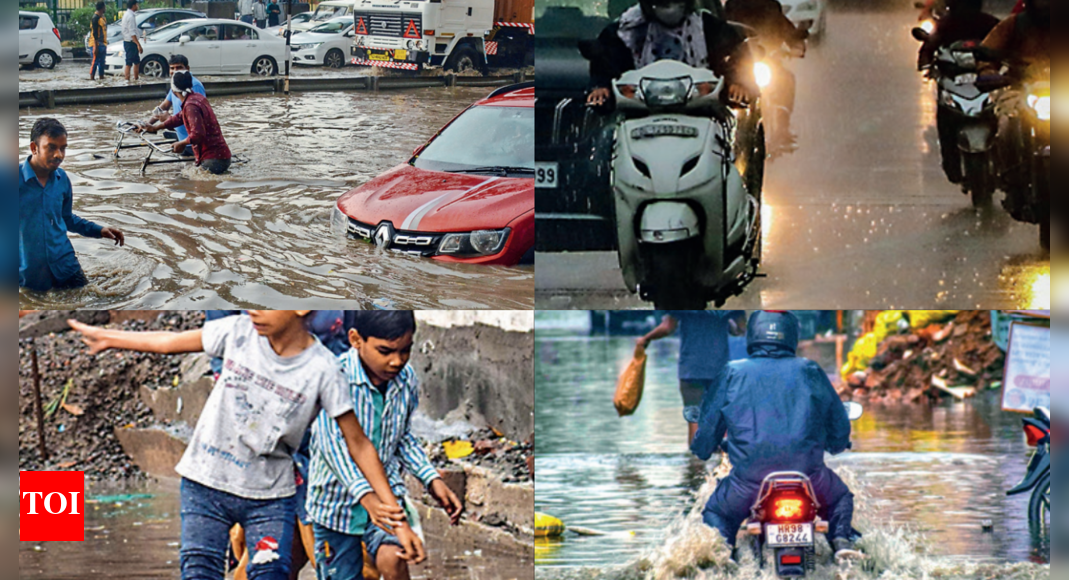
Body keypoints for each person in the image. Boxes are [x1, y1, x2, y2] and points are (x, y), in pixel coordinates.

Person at [67, 311, 418, 580]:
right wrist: (109, 337)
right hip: (206, 483)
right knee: (199, 570)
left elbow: (358, 445)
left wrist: (396, 519)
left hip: (269, 496)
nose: (253, 309)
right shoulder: (237, 332)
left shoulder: (324, 370)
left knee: (270, 572)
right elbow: (168, 342)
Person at [308, 311, 465, 580]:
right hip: (335, 505)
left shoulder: (405, 380)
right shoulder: (334, 378)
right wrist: (368, 498)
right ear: (356, 339)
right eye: (385, 351)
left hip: (388, 495)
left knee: (394, 559)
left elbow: (402, 435)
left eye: (405, 351)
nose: (397, 361)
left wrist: (430, 478)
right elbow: (333, 450)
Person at [692, 311, 861, 560]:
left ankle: (721, 560)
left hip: (747, 485)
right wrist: (836, 444)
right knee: (840, 500)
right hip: (810, 480)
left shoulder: (732, 372)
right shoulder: (810, 370)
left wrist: (704, 447)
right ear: (792, 336)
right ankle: (842, 543)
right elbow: (838, 424)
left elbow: (707, 430)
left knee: (717, 513)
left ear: (753, 335)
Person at [585, 0, 758, 108]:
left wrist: (739, 83)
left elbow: (736, 53)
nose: (670, 7)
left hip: (703, 114)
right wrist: (601, 88)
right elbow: (605, 61)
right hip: (637, 116)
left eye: (677, 2)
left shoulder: (708, 28)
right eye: (661, 2)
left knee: (731, 161)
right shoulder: (625, 31)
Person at [19, 119, 125, 293]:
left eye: (63, 148)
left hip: (66, 266)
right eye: (51, 147)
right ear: (34, 147)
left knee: (96, 299)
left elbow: (66, 218)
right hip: (29, 274)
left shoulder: (62, 179)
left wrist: (98, 230)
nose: (59, 155)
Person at [916, 0, 1000, 187]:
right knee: (945, 120)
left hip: (986, 84)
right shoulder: (945, 25)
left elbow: (1007, 45)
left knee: (1009, 117)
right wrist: (926, 63)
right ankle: (952, 165)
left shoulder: (990, 25)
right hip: (955, 84)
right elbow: (928, 49)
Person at [637, 311, 748, 445]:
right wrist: (730, 326)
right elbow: (742, 328)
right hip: (719, 368)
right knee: (720, 420)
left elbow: (667, 327)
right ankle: (720, 462)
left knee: (694, 418)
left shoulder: (684, 295)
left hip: (691, 368)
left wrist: (646, 338)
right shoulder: (728, 295)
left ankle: (695, 463)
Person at [724, 0, 808, 149]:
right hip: (744, 64)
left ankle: (783, 128)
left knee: (786, 79)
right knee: (727, 87)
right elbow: (724, 30)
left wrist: (795, 41)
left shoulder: (771, 6)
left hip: (769, 59)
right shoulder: (733, 5)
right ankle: (727, 128)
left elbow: (785, 28)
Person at [141, 71, 233, 175]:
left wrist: (181, 143)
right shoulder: (196, 97)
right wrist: (155, 128)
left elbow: (198, 134)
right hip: (221, 156)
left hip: (212, 160)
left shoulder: (190, 106)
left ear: (173, 90)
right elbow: (179, 117)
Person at [149, 55, 206, 156]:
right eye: (172, 68)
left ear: (187, 69)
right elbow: (165, 105)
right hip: (182, 137)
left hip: (191, 142)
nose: (175, 71)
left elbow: (197, 117)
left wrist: (168, 119)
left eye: (179, 68)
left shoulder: (194, 85)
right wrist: (148, 123)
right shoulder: (176, 82)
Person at [121, 0, 143, 82]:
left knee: (136, 62)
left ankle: (134, 79)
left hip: (128, 41)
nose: (137, 6)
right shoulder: (130, 16)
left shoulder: (128, 14)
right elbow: (132, 32)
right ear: (133, 5)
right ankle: (128, 79)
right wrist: (138, 44)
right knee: (130, 62)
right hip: (130, 42)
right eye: (137, 4)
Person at [88, 2, 108, 81]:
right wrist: (95, 46)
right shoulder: (95, 18)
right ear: (102, 8)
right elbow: (95, 33)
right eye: (104, 7)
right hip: (96, 44)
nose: (105, 8)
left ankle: (101, 77)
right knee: (95, 62)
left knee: (102, 62)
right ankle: (92, 78)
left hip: (103, 43)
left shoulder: (102, 18)